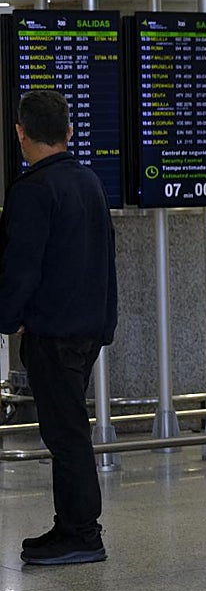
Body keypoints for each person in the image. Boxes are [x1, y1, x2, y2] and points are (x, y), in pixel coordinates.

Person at [0, 90, 117, 566]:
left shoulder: (31, 191)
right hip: (87, 328)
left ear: (20, 133)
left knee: (66, 433)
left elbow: (20, 269)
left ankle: (83, 533)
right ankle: (70, 523)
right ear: (69, 132)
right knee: (68, 429)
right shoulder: (89, 181)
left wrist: (8, 319)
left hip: (53, 333)